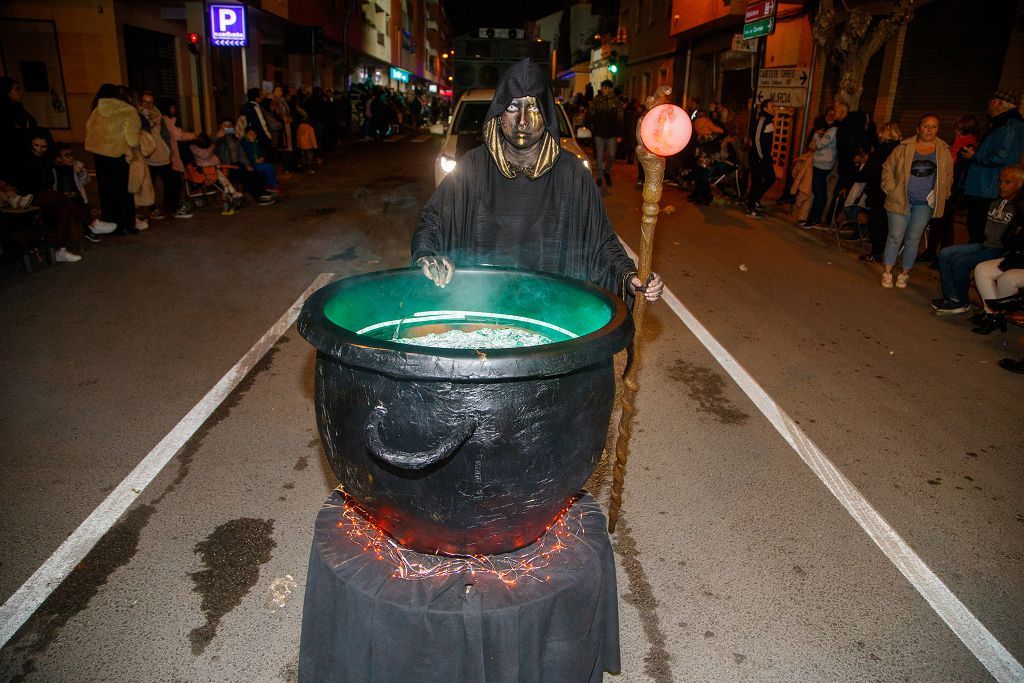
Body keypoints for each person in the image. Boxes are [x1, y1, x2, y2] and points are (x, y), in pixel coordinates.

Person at [411, 58, 663, 304]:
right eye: (512, 107)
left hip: (552, 308)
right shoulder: (472, 168)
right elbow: (432, 223)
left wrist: (629, 276)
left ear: (547, 113)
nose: (522, 120)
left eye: (533, 108)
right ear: (499, 113)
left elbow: (602, 244)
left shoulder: (572, 174)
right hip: (482, 305)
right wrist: (427, 254)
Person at [933, 165, 1022, 315]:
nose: (1002, 186)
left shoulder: (1019, 209)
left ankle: (962, 302)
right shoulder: (994, 203)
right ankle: (952, 298)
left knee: (961, 262)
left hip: (1000, 249)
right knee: (945, 253)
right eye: (1000, 181)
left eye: (1008, 182)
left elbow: (1013, 239)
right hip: (985, 244)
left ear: (1019, 185)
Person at [879, 114, 953, 289]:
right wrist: (890, 188)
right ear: (918, 128)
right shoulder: (904, 148)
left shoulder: (943, 150)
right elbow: (887, 168)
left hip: (924, 204)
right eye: (926, 126)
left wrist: (943, 194)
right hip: (900, 199)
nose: (929, 130)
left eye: (933, 127)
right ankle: (888, 272)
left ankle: (905, 273)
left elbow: (948, 175)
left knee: (913, 239)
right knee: (895, 236)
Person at [963, 89, 1024, 243]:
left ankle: (975, 263)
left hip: (987, 187)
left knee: (979, 229)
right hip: (985, 185)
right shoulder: (1003, 123)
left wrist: (975, 156)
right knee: (976, 227)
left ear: (998, 103)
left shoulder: (1010, 125)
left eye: (991, 101)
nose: (988, 105)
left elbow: (1001, 156)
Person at [85, 83, 141, 234]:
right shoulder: (128, 111)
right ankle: (126, 225)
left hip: (98, 154)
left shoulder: (98, 108)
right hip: (117, 154)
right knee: (123, 191)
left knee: (106, 190)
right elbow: (132, 140)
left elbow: (89, 127)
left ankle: (111, 224)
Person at [860, 121, 901, 262]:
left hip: (880, 191)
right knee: (888, 225)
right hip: (895, 192)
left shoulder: (881, 150)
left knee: (877, 223)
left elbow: (871, 172)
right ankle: (887, 253)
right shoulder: (900, 149)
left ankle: (877, 252)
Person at [214, 118, 275, 205]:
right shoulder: (218, 140)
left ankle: (262, 193)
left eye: (230, 126)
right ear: (220, 126)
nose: (227, 128)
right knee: (247, 176)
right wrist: (217, 137)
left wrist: (247, 164)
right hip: (227, 167)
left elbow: (242, 154)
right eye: (225, 125)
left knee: (255, 172)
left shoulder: (235, 140)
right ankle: (258, 198)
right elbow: (210, 147)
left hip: (238, 164)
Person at [801, 108, 838, 228]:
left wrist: (817, 135)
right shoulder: (826, 129)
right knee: (817, 192)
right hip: (818, 164)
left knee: (819, 193)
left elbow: (821, 144)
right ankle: (811, 218)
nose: (830, 117)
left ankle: (814, 219)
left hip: (824, 165)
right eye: (828, 114)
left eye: (833, 115)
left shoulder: (833, 130)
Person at [588, 80, 623, 188]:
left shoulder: (616, 102)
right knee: (599, 156)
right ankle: (599, 177)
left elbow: (620, 119)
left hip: (612, 133)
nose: (603, 90)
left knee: (612, 154)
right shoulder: (596, 100)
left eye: (605, 88)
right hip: (599, 133)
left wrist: (620, 134)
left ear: (610, 89)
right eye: (602, 88)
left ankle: (607, 172)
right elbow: (591, 115)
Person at [746, 99, 777, 217]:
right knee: (757, 182)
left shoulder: (769, 121)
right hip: (758, 157)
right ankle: (750, 206)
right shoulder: (762, 120)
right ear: (765, 108)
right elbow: (756, 139)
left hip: (765, 157)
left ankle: (755, 199)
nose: (774, 107)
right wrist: (761, 156)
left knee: (770, 178)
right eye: (771, 106)